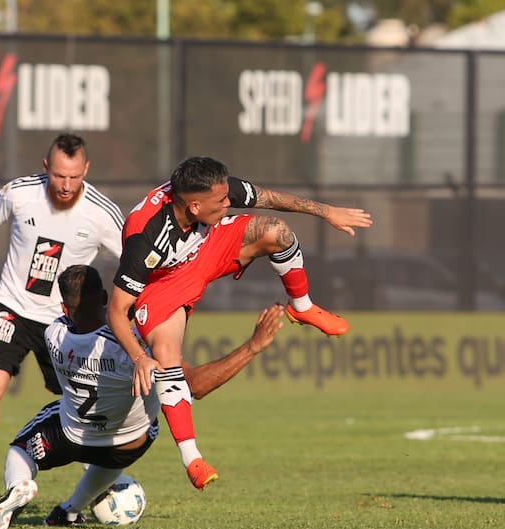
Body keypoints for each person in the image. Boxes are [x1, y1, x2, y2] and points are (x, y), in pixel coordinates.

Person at [106, 156, 373, 490]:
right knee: (164, 353)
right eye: (221, 202)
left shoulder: (213, 190)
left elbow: (271, 199)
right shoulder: (144, 238)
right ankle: (193, 459)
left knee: (276, 231)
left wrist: (326, 212)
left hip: (206, 248)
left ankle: (302, 307)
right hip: (165, 284)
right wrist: (138, 356)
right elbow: (116, 310)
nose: (228, 203)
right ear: (193, 206)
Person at [0, 264, 285, 529]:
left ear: (64, 309)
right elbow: (193, 386)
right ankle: (68, 511)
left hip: (70, 437)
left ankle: (18, 486)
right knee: (138, 431)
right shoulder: (135, 348)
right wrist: (253, 346)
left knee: (21, 450)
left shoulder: (55, 334)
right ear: (104, 298)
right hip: (128, 444)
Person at [0, 133, 123, 510]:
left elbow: (131, 265)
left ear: (85, 170)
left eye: (74, 177)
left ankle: (93, 478)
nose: (66, 185)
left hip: (64, 322)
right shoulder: (20, 193)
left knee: (76, 400)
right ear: (45, 167)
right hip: (12, 308)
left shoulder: (102, 213)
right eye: (58, 176)